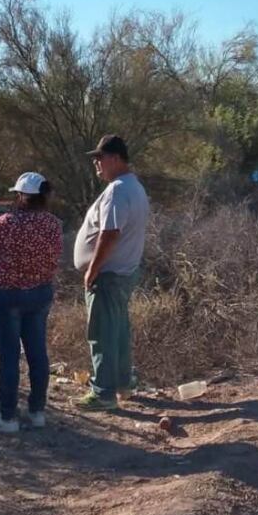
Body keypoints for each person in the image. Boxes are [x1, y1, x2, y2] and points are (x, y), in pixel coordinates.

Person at [0, 172, 63, 433]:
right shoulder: (53, 224)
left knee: (9, 356)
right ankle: (37, 411)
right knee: (37, 353)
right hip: (39, 292)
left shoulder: (5, 223)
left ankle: (7, 418)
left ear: (22, 196)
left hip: (7, 294)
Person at [72, 135, 149, 412]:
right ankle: (123, 382)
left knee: (102, 333)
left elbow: (110, 232)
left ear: (115, 158)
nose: (96, 163)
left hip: (109, 274)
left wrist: (92, 269)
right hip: (122, 272)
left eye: (100, 158)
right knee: (118, 330)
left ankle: (103, 393)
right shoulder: (134, 187)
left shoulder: (118, 190)